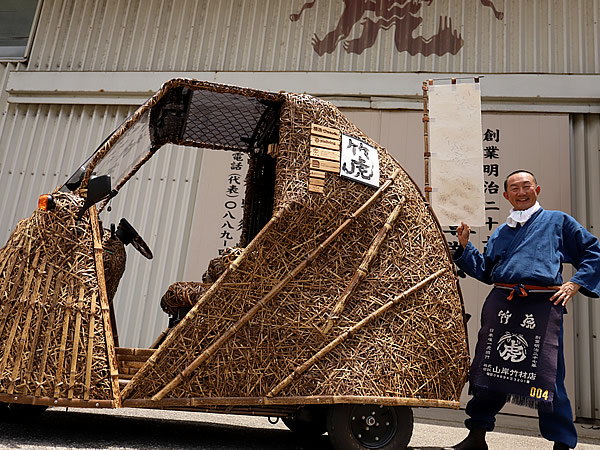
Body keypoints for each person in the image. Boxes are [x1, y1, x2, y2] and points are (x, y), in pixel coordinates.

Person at [449, 170, 600, 450]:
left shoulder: (558, 221)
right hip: (503, 305)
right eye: (514, 188)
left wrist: (575, 283)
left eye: (526, 186)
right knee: (490, 371)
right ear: (506, 195)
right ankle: (477, 435)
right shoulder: (503, 231)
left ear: (537, 189)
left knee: (549, 375)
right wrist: (465, 247)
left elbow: (594, 251)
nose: (521, 192)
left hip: (542, 306)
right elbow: (487, 271)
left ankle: (562, 443)